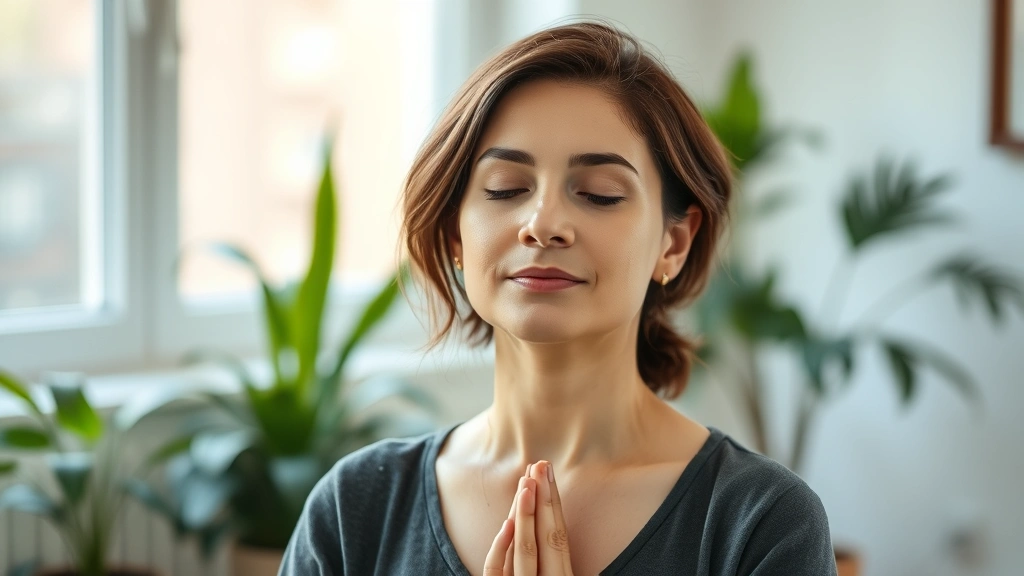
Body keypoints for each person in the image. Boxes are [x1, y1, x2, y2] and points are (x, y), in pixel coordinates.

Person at [279, 21, 838, 576]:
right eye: (506, 189)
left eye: (599, 195)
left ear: (673, 243)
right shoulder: (354, 511)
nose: (543, 224)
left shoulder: (762, 523)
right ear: (455, 235)